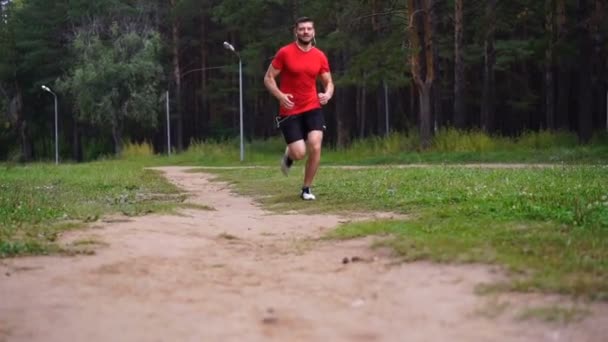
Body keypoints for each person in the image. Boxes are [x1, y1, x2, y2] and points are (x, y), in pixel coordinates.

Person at [263, 16, 334, 201]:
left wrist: (327, 94)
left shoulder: (319, 56)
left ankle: (306, 189)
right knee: (299, 153)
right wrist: (280, 96)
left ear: (314, 32)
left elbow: (328, 82)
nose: (305, 32)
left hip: (312, 106)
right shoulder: (285, 53)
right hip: (290, 109)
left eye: (309, 29)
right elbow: (268, 78)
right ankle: (290, 154)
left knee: (316, 145)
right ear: (296, 31)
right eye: (302, 29)